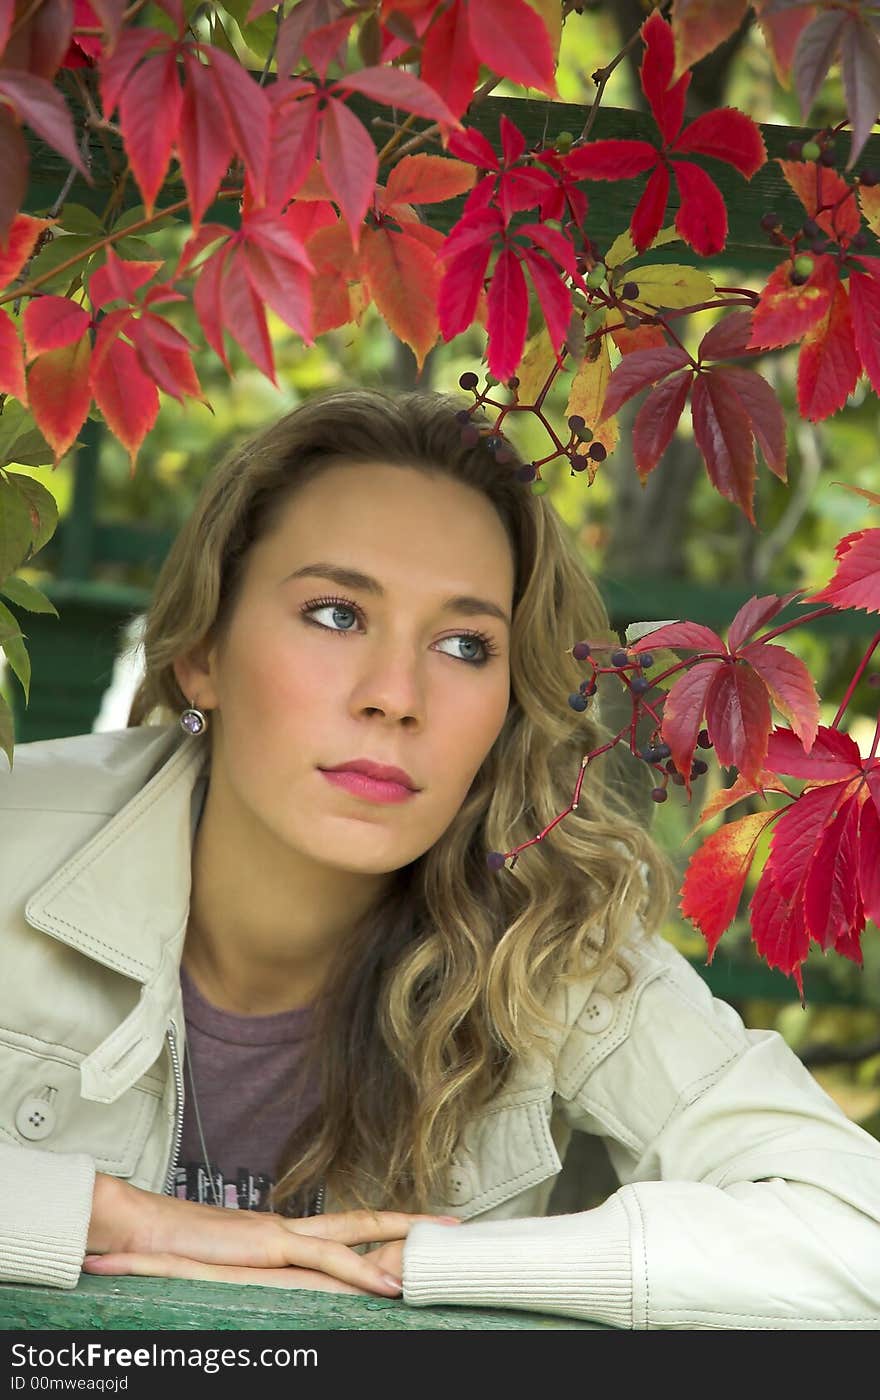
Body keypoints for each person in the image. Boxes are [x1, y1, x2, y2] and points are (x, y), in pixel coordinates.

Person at [1, 387, 878, 1331]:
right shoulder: (19, 836)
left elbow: (853, 1236)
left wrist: (421, 1265)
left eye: (465, 644)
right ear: (204, 651)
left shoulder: (547, 929)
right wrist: (103, 1218)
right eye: (337, 614)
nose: (397, 696)